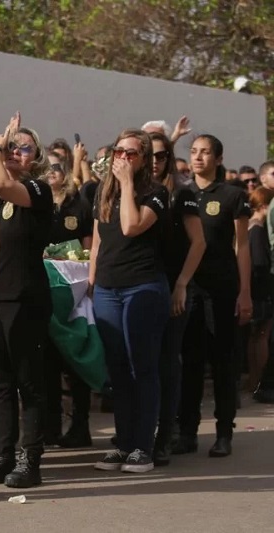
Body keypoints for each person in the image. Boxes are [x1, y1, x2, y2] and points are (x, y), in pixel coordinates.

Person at [89, 129, 171, 473]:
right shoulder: (102, 191)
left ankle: (143, 446)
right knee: (118, 370)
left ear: (144, 160)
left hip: (143, 287)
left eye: (132, 153)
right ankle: (123, 445)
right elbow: (97, 240)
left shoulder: (156, 193)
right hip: (108, 288)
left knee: (143, 367)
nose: (122, 158)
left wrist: (125, 186)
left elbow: (131, 226)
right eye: (119, 152)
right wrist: (92, 282)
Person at [0, 113, 52, 488]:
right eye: (10, 147)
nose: (13, 152)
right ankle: (1, 453)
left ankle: (30, 459)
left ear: (36, 156)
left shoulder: (38, 190)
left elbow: (1, 181)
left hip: (26, 298)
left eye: (22, 148)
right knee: (2, 384)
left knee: (29, 383)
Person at [176, 135, 251, 459]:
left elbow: (242, 246)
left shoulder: (233, 195)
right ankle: (187, 433)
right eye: (194, 152)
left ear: (218, 159)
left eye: (205, 152)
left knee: (223, 364)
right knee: (189, 365)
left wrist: (244, 292)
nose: (198, 158)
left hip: (222, 290)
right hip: (189, 290)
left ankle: (223, 433)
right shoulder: (182, 193)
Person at [149, 132, 205, 467]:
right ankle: (142, 428)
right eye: (150, 155)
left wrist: (182, 284)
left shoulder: (180, 193)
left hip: (173, 290)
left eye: (161, 156)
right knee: (142, 364)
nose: (155, 162)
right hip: (140, 286)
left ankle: (166, 435)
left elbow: (198, 243)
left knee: (168, 363)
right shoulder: (135, 193)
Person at [43, 151, 95, 450]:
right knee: (47, 363)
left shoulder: (79, 204)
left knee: (74, 363)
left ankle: (80, 425)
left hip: (73, 294)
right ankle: (49, 427)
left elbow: (88, 248)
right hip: (46, 292)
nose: (52, 173)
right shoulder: (36, 201)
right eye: (47, 168)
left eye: (57, 168)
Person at [247, 187, 274, 393]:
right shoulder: (256, 229)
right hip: (260, 290)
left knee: (256, 336)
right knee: (261, 335)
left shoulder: (250, 227)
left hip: (254, 289)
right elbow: (259, 262)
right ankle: (258, 379)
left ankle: (255, 380)